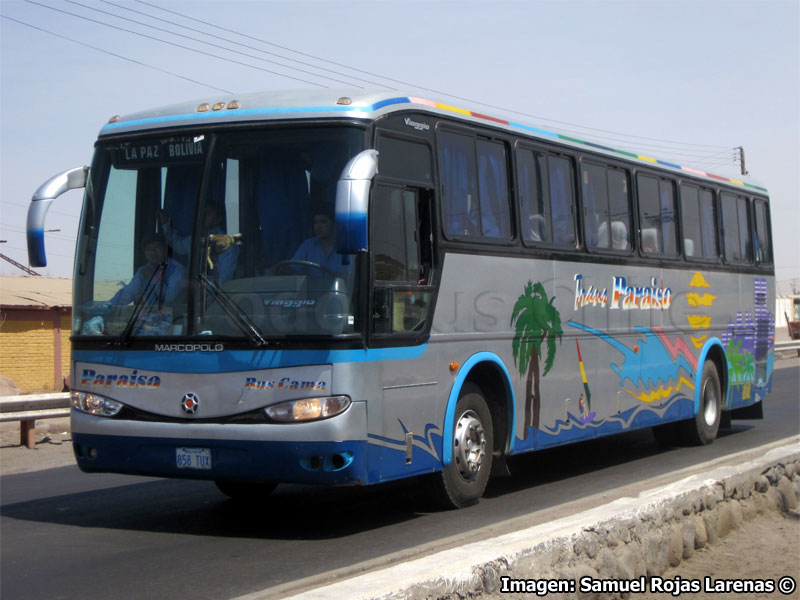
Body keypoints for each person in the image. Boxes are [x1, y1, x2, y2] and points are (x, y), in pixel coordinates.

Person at [157, 204, 239, 284]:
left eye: (208, 213)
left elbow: (224, 280)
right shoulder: (195, 239)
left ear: (218, 219)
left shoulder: (227, 245)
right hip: (192, 295)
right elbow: (178, 246)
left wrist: (197, 287)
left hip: (213, 296)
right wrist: (165, 223)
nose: (203, 216)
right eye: (203, 212)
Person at [110, 233, 186, 307]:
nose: (153, 252)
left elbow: (169, 299)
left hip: (173, 317)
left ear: (165, 249)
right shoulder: (144, 270)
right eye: (149, 249)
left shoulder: (177, 270)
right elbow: (127, 294)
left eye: (157, 248)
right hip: (150, 317)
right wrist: (108, 306)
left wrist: (152, 278)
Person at [290, 210, 351, 277]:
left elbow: (353, 276)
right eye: (315, 222)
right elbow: (293, 268)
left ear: (334, 224)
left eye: (323, 222)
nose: (318, 227)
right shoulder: (308, 245)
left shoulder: (347, 246)